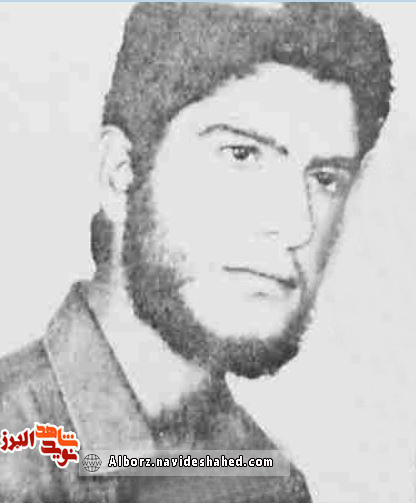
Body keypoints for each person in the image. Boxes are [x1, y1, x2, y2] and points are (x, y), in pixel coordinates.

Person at [0, 3, 392, 502]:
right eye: (241, 154)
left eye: (325, 179)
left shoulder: (267, 483)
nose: (298, 226)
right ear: (120, 174)